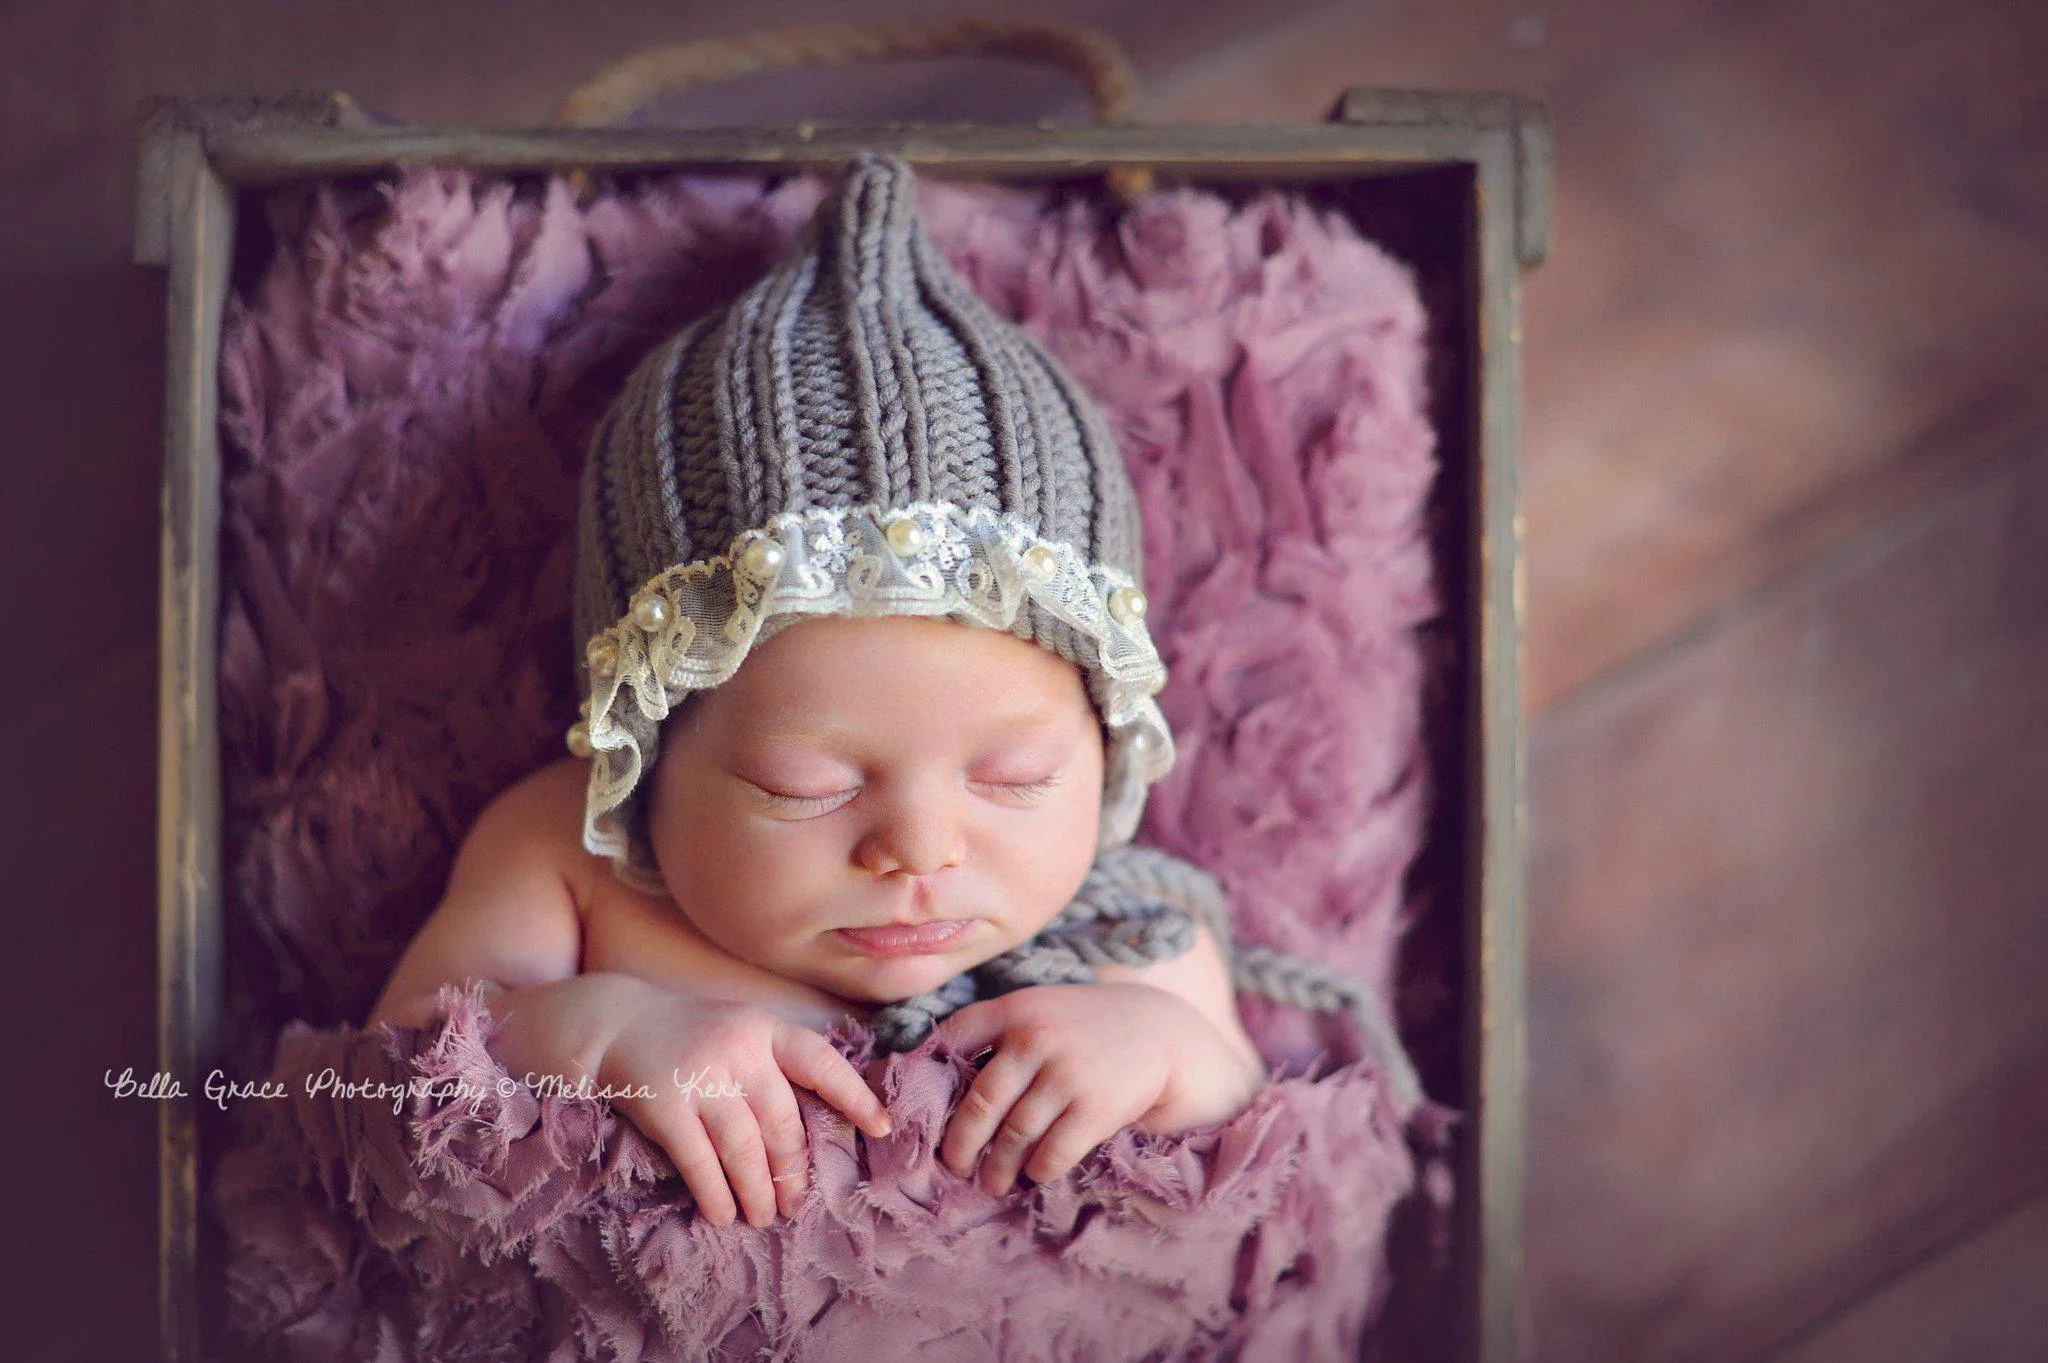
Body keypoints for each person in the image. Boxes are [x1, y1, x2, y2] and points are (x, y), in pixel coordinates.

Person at [368, 153, 1406, 1233]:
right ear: (644, 740)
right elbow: (394, 1069)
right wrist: (606, 1034)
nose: (918, 850)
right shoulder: (569, 859)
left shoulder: (1133, 931)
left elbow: (1253, 1145)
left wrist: (1162, 1053)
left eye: (1016, 779)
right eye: (801, 784)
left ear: (1108, 746)